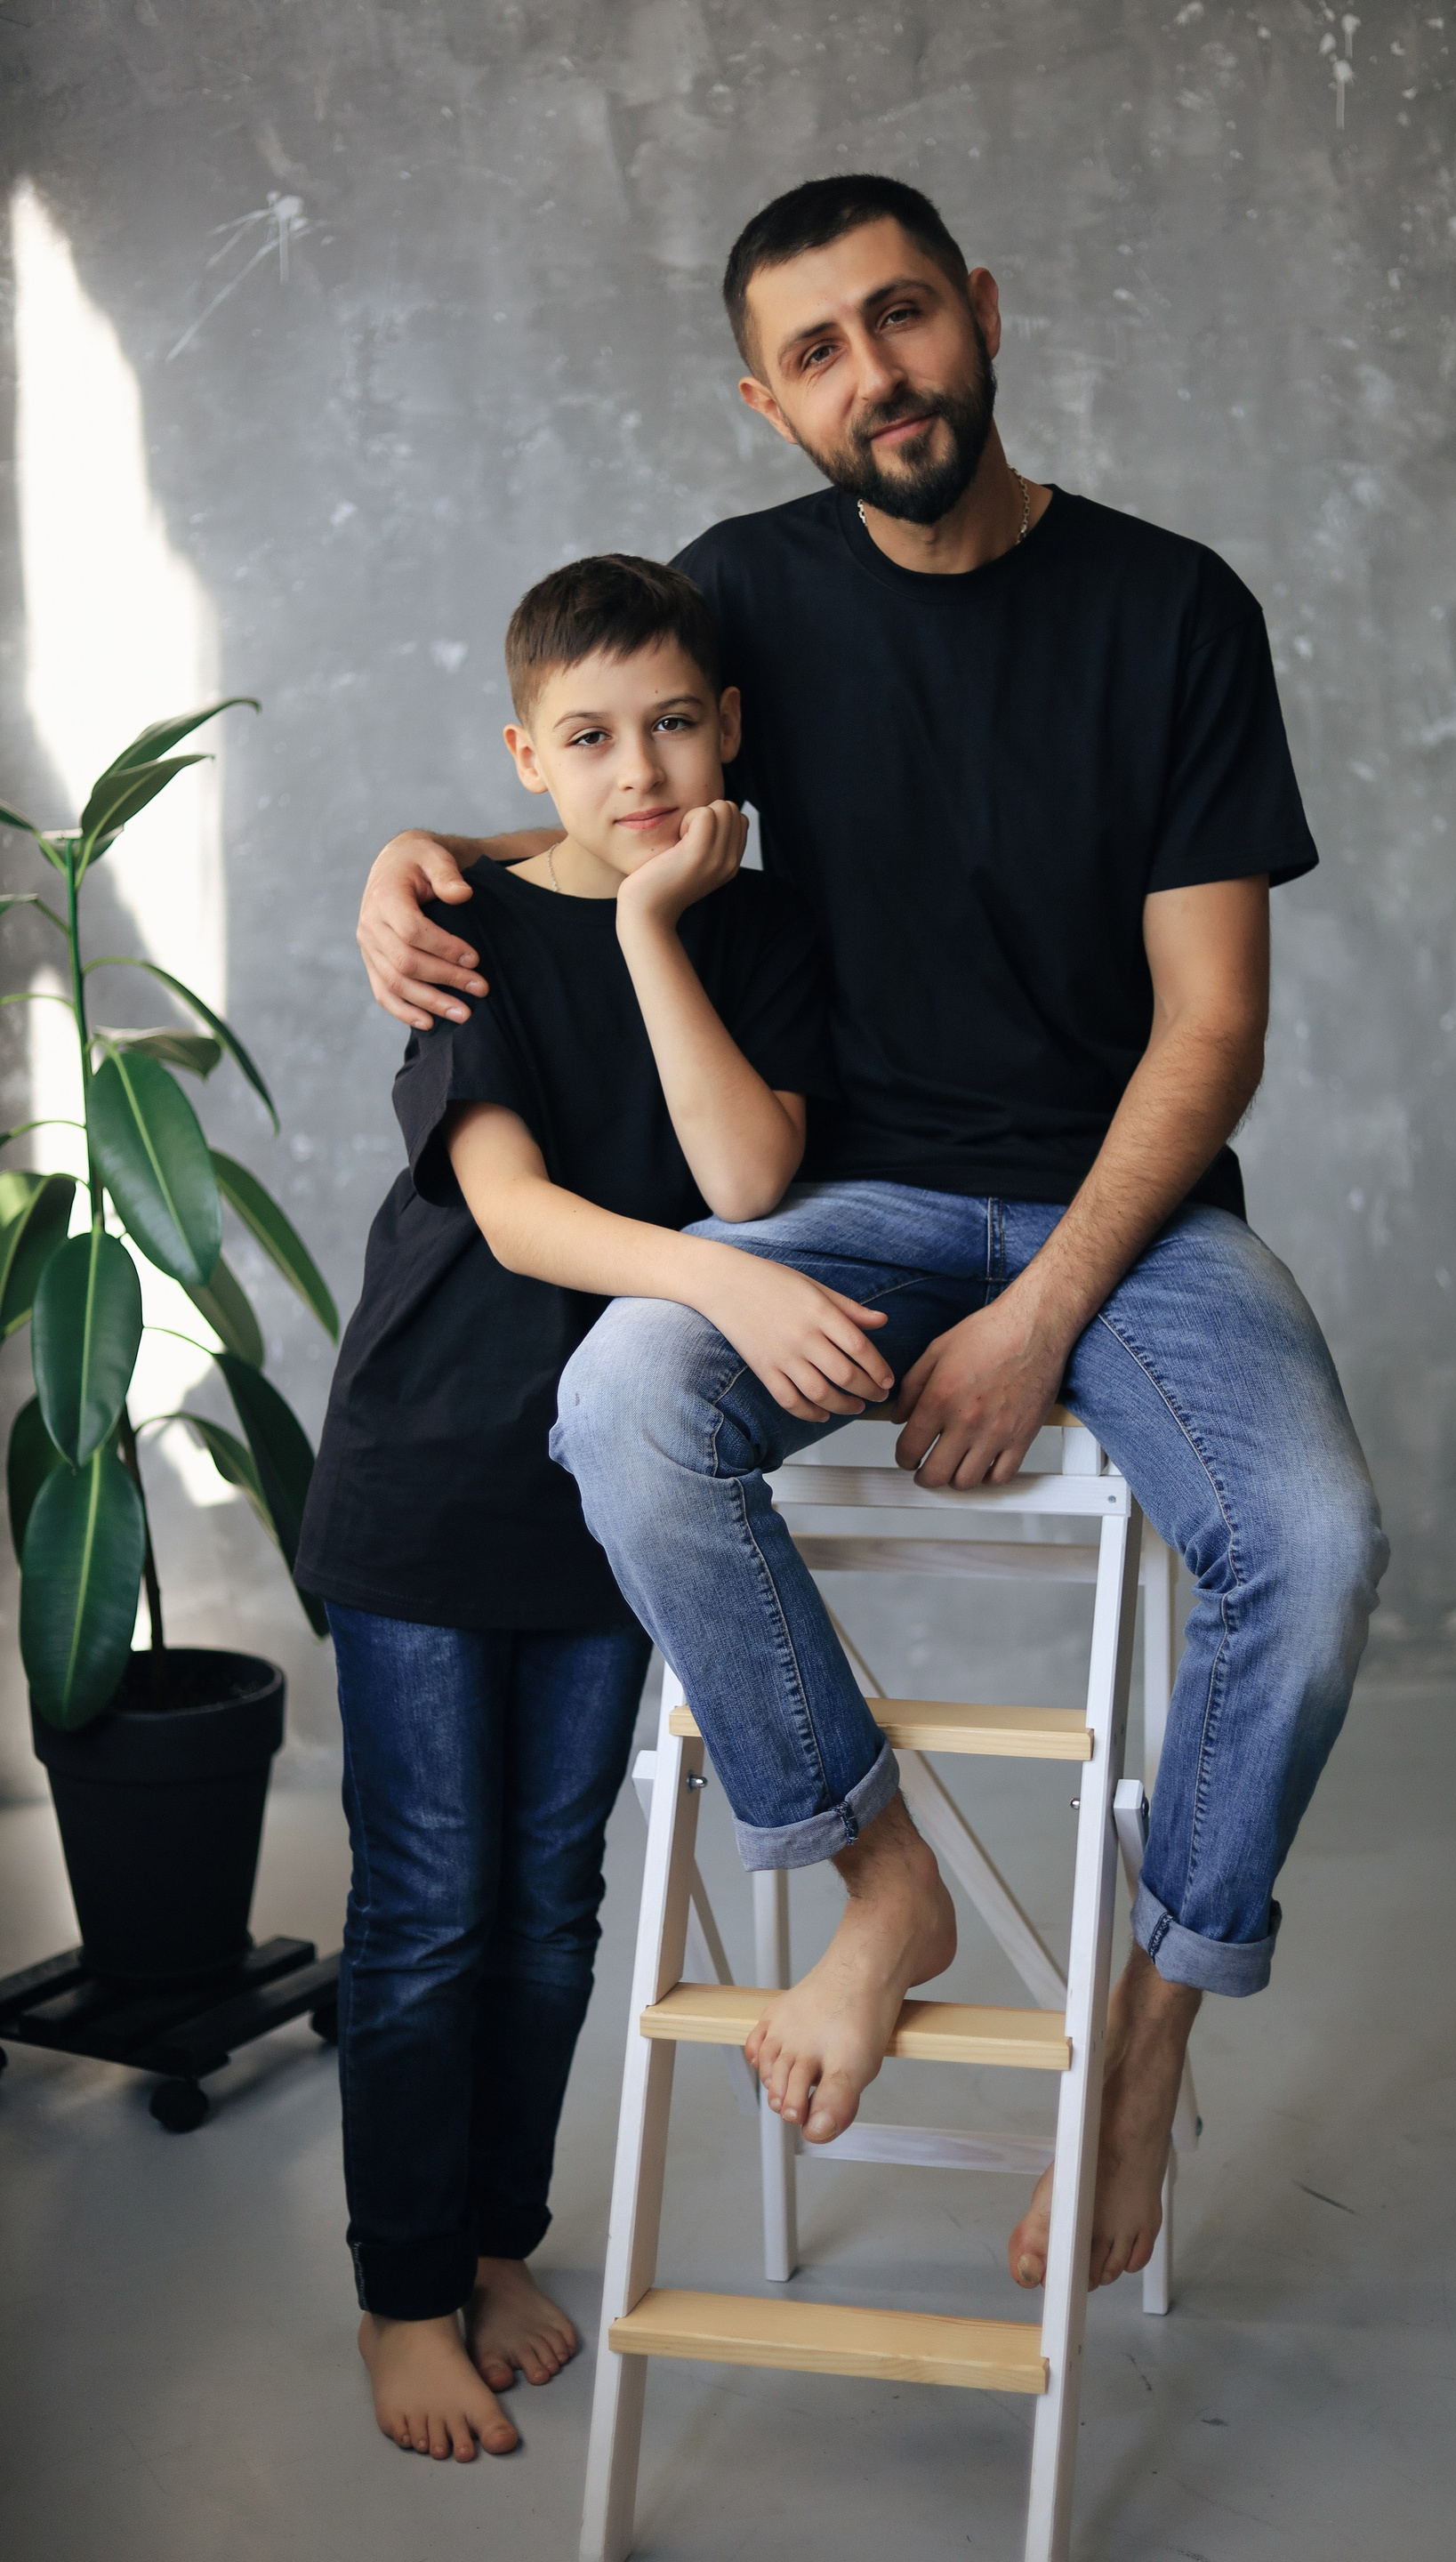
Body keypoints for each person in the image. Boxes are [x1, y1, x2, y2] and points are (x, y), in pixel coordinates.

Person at [356, 173, 1389, 2302]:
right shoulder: (748, 593)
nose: (877, 374)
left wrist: (1044, 1312)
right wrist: (423, 847)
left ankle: (1145, 2041)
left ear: (980, 310)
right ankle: (878, 1877)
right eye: (816, 351)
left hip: (1130, 1211)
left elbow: (1212, 1026)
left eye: (903, 314)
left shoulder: (1173, 609)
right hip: (854, 1198)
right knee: (625, 1399)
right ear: (770, 400)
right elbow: (625, 784)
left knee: (1315, 1540)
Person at [296, 552, 849, 2462]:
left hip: (599, 1490)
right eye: (592, 738)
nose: (641, 770)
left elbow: (748, 1171)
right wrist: (723, 1292)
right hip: (427, 1477)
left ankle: (490, 2243)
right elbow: (518, 1213)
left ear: (729, 729)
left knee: (548, 1901)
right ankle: (400, 2297)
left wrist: (658, 931)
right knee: (431, 1905)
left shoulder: (757, 934)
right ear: (526, 757)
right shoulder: (469, 926)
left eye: (675, 725)